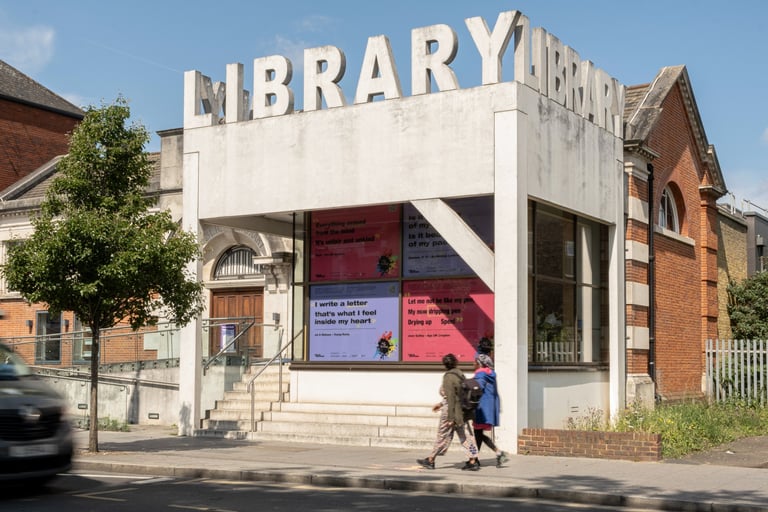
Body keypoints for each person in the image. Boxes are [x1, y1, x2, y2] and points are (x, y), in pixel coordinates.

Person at [417, 353, 480, 471]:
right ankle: (473, 460)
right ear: (456, 362)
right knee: (466, 436)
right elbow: (457, 395)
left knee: (442, 435)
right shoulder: (460, 374)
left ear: (444, 364)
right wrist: (441, 404)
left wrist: (451, 418)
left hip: (450, 411)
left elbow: (451, 398)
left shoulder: (448, 377)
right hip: (461, 412)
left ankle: (431, 460)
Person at [472, 353, 508, 467]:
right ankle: (476, 459)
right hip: (489, 407)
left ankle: (476, 459)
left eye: (475, 362)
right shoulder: (490, 373)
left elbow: (477, 387)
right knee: (478, 433)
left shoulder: (481, 374)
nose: (473, 363)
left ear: (479, 363)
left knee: (477, 433)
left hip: (481, 408)